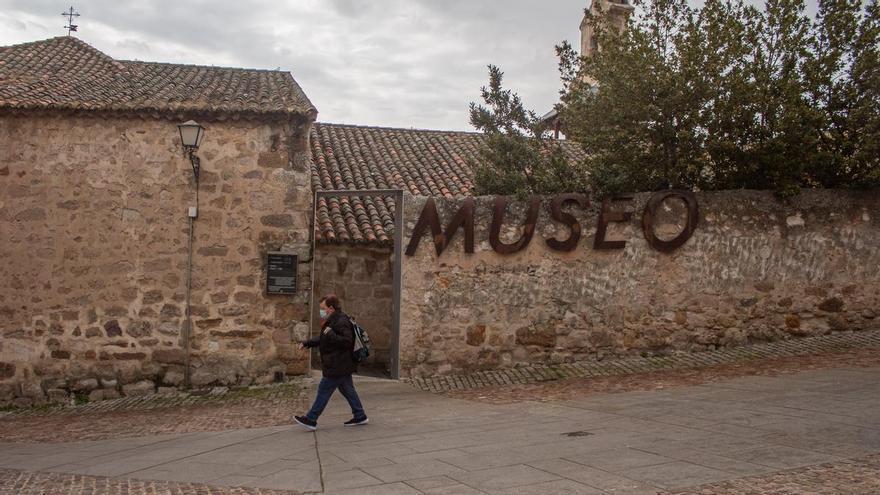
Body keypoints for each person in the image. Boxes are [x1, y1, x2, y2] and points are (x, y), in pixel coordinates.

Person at [293, 294, 369, 431]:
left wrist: (330, 334)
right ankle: (360, 415)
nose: (320, 311)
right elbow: (323, 338)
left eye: (323, 308)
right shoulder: (333, 320)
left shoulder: (341, 321)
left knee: (323, 390)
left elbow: (347, 342)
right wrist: (307, 343)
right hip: (340, 364)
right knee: (347, 390)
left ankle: (311, 419)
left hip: (338, 364)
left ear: (331, 308)